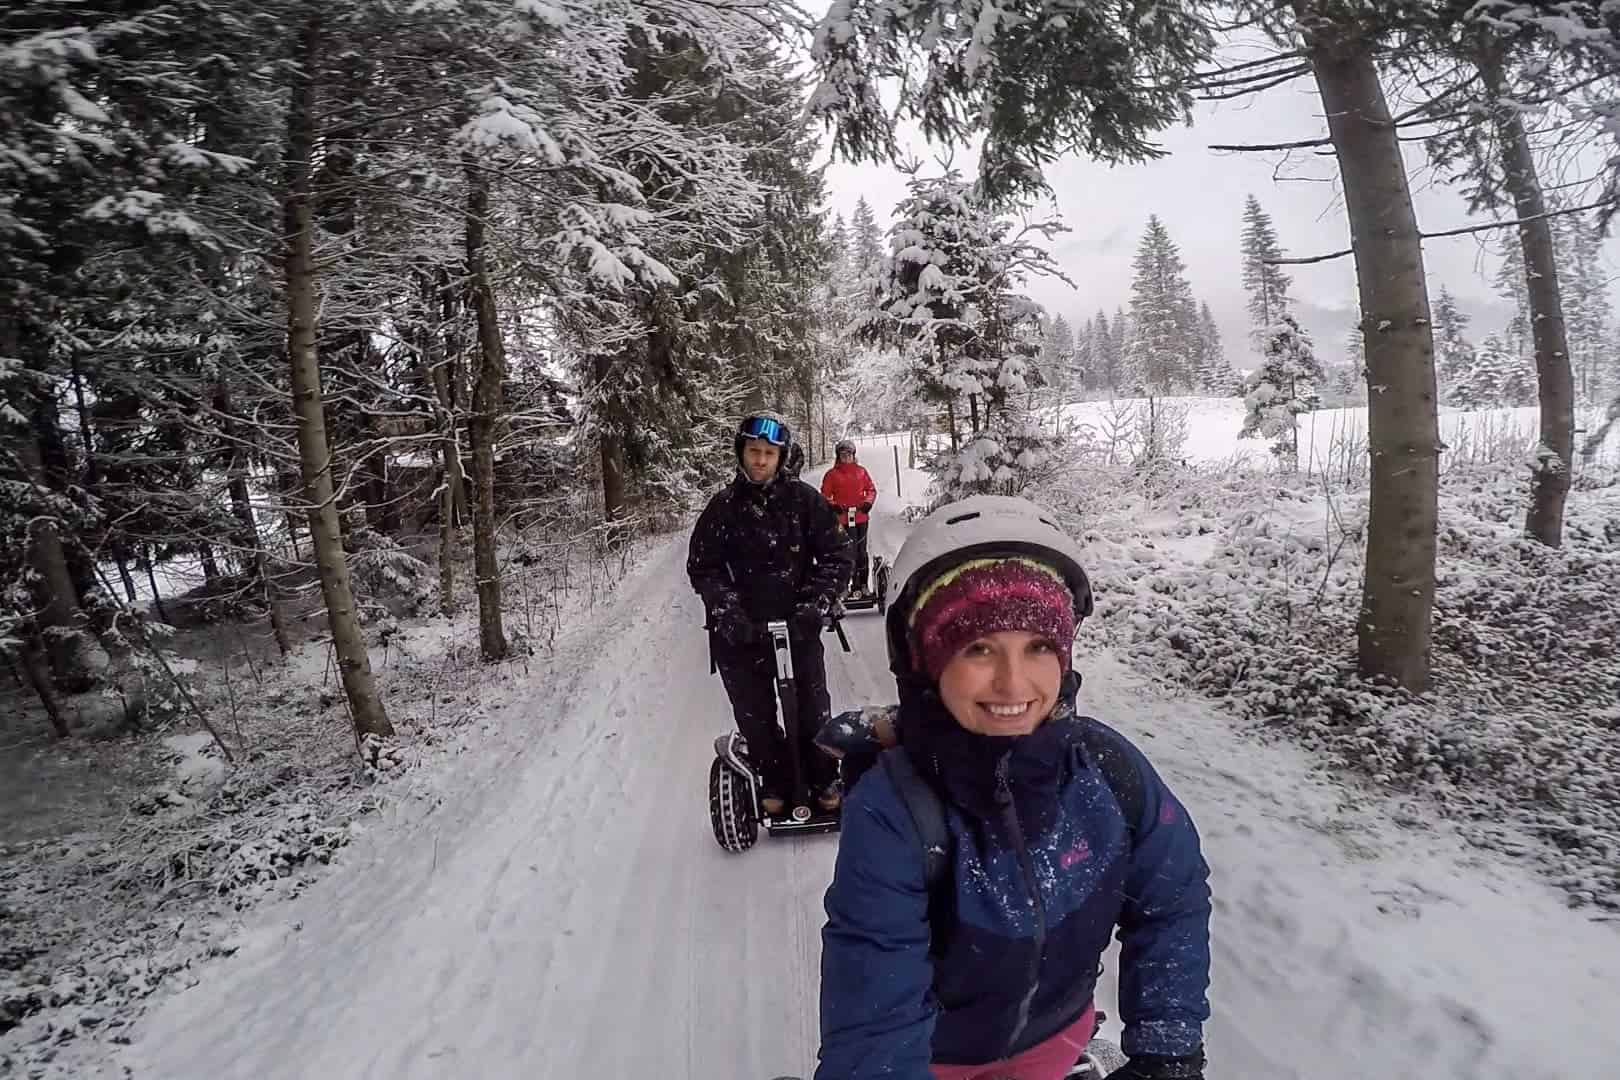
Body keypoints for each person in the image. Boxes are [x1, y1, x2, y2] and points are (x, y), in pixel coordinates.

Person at [814, 495, 1212, 1080]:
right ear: (925, 662)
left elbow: (1171, 899)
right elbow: (873, 1000)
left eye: (1039, 647)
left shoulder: (1108, 771)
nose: (1013, 681)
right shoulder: (895, 809)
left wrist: (1167, 1048)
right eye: (978, 648)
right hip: (936, 1061)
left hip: (1059, 1037)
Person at [688, 412, 854, 816]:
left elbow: (836, 554)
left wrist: (815, 604)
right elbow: (702, 567)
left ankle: (822, 775)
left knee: (813, 708)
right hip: (741, 634)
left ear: (782, 457)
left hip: (797, 626)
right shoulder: (723, 508)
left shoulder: (803, 501)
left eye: (768, 453)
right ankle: (774, 778)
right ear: (741, 454)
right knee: (756, 715)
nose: (760, 461)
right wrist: (727, 610)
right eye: (753, 452)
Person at [820, 439, 879, 595]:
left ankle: (863, 585)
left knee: (861, 552)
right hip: (842, 519)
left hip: (860, 518)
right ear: (838, 456)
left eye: (849, 454)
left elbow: (871, 490)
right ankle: (846, 586)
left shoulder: (861, 472)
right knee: (846, 552)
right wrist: (833, 505)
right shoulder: (832, 475)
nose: (846, 457)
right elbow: (825, 495)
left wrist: (867, 503)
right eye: (843, 454)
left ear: (854, 455)